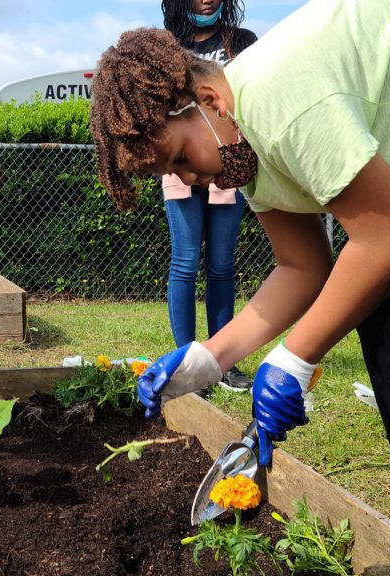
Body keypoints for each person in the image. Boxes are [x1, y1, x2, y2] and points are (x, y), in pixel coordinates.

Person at [89, 1, 390, 572]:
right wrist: (208, 357)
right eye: (171, 176)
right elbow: (304, 268)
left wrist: (294, 358)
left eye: (180, 157)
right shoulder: (240, 148)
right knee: (378, 309)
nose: (189, 180)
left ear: (207, 103)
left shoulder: (276, 97)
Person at [159, 0, 257, 392]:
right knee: (184, 263)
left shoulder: (240, 42)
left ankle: (221, 360)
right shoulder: (168, 46)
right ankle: (187, 362)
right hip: (183, 166)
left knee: (221, 266)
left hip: (227, 163)